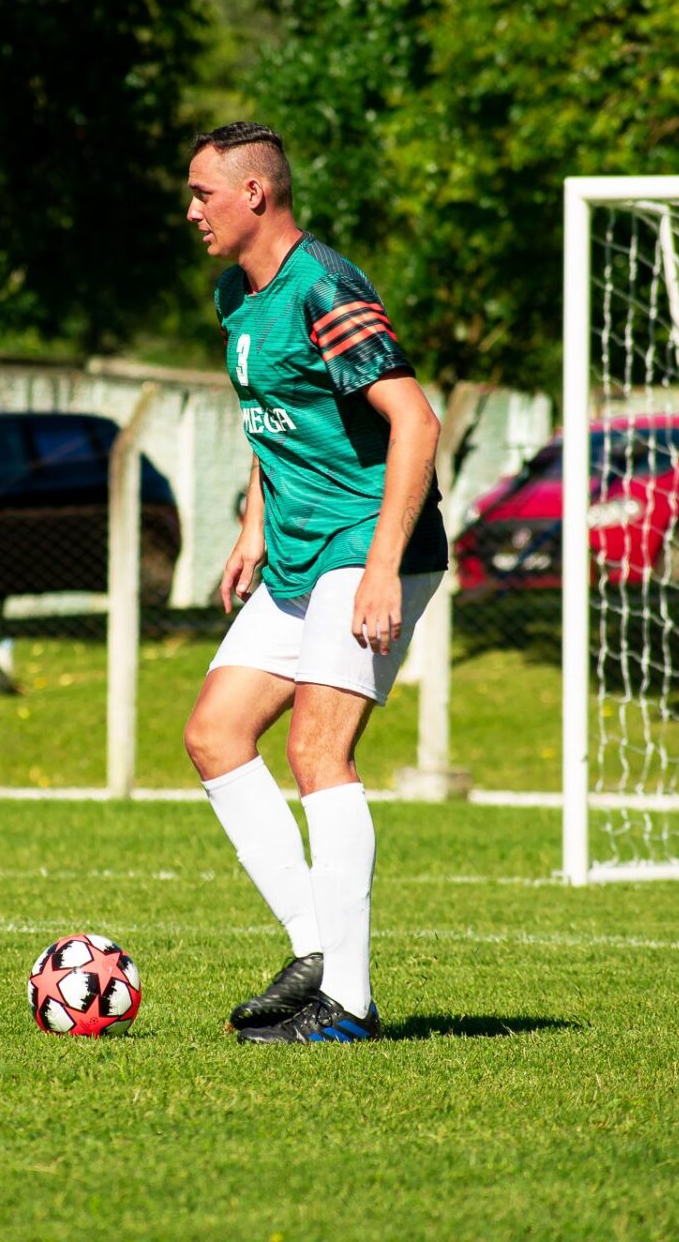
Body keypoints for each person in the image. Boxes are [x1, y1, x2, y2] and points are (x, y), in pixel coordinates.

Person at [181, 123, 447, 1044]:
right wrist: (256, 521)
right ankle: (315, 954)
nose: (192, 211)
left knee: (317, 756)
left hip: (370, 550)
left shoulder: (326, 287)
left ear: (255, 195)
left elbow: (416, 421)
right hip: (298, 551)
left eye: (203, 193)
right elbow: (278, 417)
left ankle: (352, 1007)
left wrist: (379, 569)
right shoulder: (234, 294)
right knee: (214, 735)